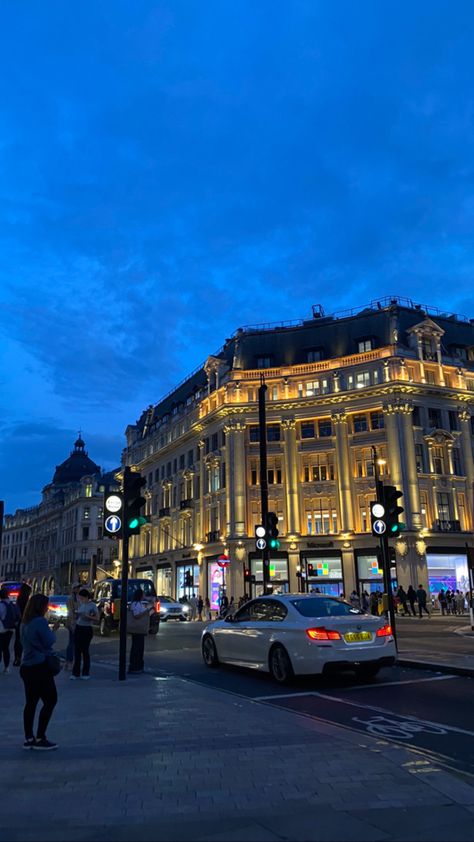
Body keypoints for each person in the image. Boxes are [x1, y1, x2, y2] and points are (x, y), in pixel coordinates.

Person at [20, 593, 59, 750]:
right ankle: (40, 736)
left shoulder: (24, 623)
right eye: (46, 605)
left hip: (26, 666)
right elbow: (50, 641)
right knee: (50, 700)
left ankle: (28, 737)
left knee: (31, 702)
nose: (47, 608)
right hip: (39, 666)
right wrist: (53, 630)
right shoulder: (40, 622)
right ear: (41, 607)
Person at [71, 589, 98, 680]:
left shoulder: (93, 606)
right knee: (77, 651)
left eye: (82, 597)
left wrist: (87, 616)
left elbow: (96, 617)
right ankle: (75, 673)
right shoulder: (81, 605)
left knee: (85, 650)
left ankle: (86, 672)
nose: (80, 599)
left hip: (87, 628)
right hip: (79, 627)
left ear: (86, 597)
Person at [128, 587, 153, 674]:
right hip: (137, 628)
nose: (144, 596)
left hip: (139, 628)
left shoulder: (138, 603)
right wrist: (146, 610)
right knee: (137, 648)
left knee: (138, 647)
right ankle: (135, 666)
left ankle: (137, 666)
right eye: (143, 594)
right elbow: (136, 615)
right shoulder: (136, 604)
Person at [0, 586, 20, 674]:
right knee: (6, 648)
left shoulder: (1, 605)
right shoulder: (12, 605)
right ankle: (6, 667)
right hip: (11, 629)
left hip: (1, 629)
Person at [13, 582, 32, 667]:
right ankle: (25, 658)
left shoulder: (18, 600)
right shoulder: (28, 601)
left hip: (19, 622)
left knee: (17, 640)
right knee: (25, 641)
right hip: (26, 622)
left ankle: (17, 658)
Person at [64, 583, 80, 670]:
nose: (78, 589)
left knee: (74, 643)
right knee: (72, 643)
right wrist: (71, 623)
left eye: (79, 588)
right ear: (73, 589)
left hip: (77, 622)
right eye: (77, 588)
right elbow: (70, 612)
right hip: (73, 622)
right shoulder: (71, 599)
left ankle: (70, 661)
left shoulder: (78, 598)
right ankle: (69, 661)